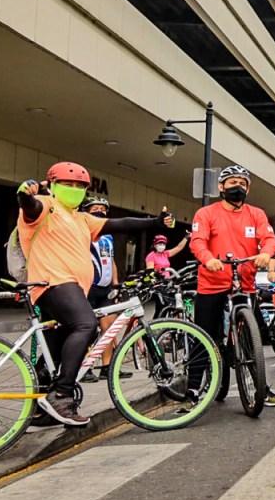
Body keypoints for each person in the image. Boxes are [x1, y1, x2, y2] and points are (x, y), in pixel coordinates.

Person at [17, 162, 173, 426]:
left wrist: (156, 222)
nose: (74, 189)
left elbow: (120, 223)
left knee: (57, 351)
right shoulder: (44, 206)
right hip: (53, 283)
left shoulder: (81, 218)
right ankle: (62, 395)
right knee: (87, 325)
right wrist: (24, 192)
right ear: (53, 185)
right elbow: (28, 206)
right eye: (68, 184)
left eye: (80, 186)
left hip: (70, 287)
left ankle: (40, 411)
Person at [188, 165, 275, 404]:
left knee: (254, 337)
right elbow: (197, 242)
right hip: (212, 283)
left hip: (244, 284)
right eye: (231, 182)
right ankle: (193, 390)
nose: (236, 187)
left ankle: (260, 387)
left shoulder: (256, 214)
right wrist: (208, 259)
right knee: (203, 335)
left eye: (242, 183)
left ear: (248, 189)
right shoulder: (206, 213)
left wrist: (266, 254)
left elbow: (269, 240)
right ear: (221, 187)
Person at [80, 196, 122, 383]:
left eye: (103, 209)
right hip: (88, 287)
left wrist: (115, 283)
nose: (100, 211)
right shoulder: (82, 232)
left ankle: (107, 367)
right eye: (95, 208)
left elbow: (111, 261)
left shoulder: (109, 236)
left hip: (105, 289)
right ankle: (84, 367)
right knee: (87, 329)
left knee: (109, 329)